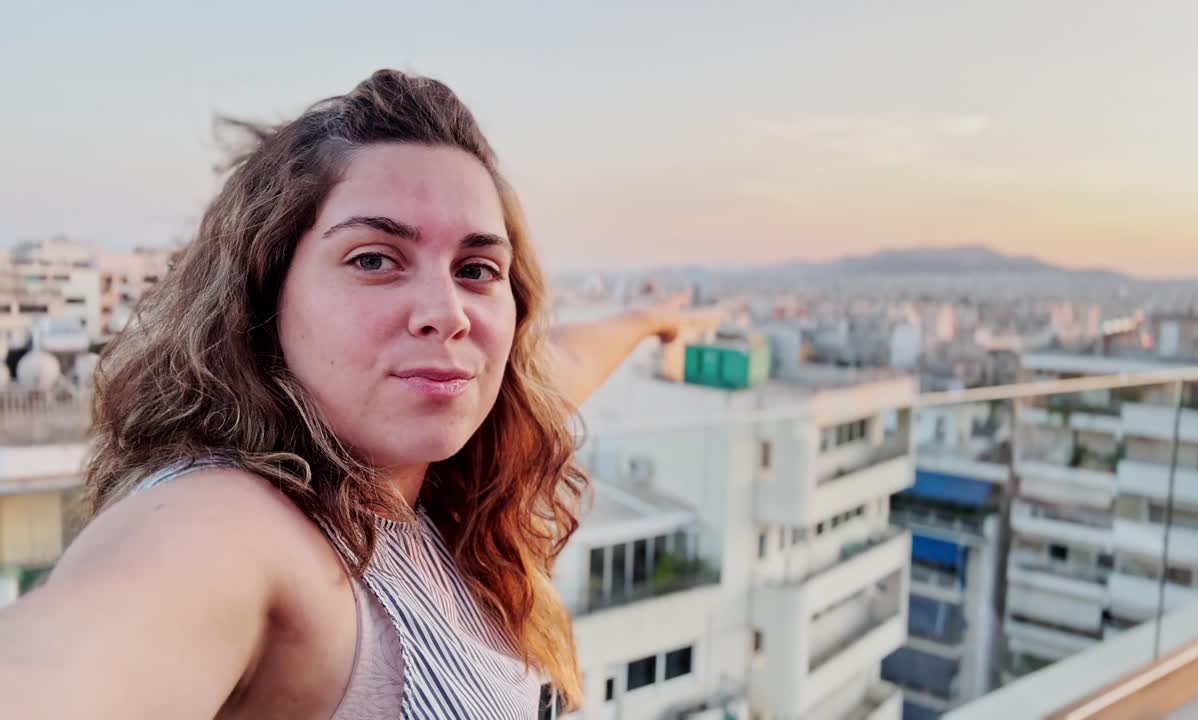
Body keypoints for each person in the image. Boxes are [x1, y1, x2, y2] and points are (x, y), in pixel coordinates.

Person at [0, 69, 721, 719]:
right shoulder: (236, 525)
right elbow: (65, 662)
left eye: (476, 268)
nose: (448, 311)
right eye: (375, 259)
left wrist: (654, 319)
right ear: (263, 295)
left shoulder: (439, 487)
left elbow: (558, 365)